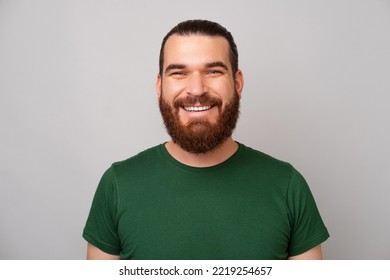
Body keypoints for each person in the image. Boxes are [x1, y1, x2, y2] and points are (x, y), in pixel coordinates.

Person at [83, 19, 329, 260]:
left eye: (213, 71)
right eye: (179, 72)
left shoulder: (287, 186)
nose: (197, 89)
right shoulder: (118, 185)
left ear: (237, 82)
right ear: (160, 86)